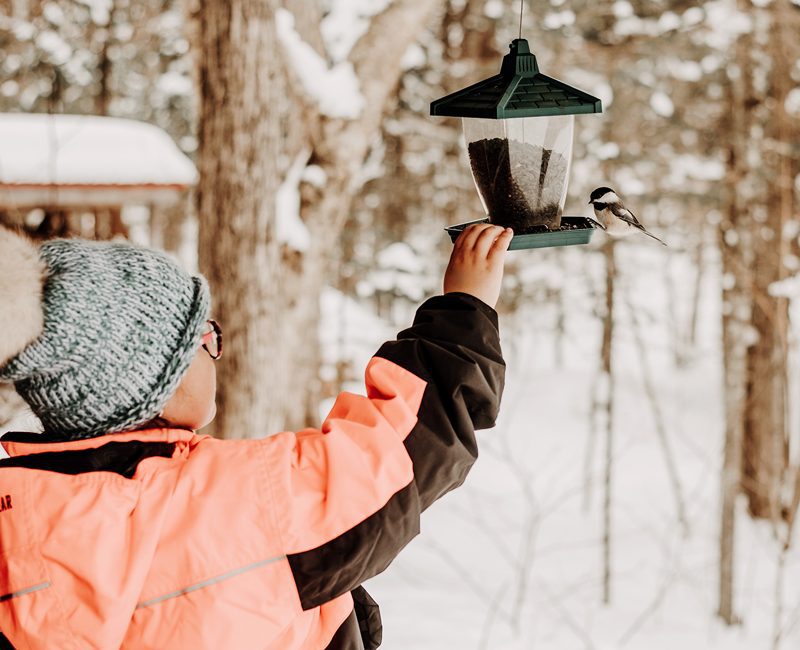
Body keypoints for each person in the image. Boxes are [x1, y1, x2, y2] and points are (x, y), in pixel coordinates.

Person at [0, 223, 513, 650]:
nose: (217, 350)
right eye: (204, 337)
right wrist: (464, 308)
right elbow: (395, 456)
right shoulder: (231, 502)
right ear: (154, 379)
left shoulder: (15, 519)